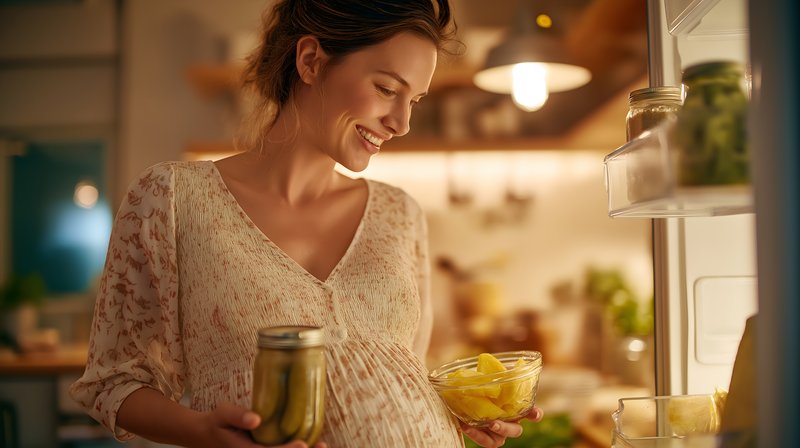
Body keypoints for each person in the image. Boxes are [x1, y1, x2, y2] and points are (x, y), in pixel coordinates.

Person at [69, 1, 543, 447]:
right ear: (312, 60)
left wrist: (460, 410)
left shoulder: (401, 213)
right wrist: (202, 431)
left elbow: (399, 371)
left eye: (414, 100)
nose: (401, 122)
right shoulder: (172, 200)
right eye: (386, 89)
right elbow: (112, 383)